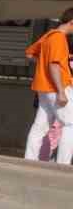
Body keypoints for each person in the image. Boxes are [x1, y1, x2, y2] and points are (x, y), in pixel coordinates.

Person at [23, 9, 73, 165]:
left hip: (43, 88)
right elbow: (54, 65)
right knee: (70, 124)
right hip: (57, 87)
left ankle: (29, 160)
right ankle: (63, 165)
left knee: (40, 125)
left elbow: (30, 54)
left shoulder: (48, 36)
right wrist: (61, 92)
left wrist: (43, 64)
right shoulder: (59, 39)